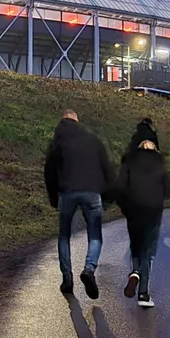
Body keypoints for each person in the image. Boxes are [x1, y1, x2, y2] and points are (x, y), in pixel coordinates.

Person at [44, 109, 117, 299]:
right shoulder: (92, 139)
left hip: (67, 193)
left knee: (64, 236)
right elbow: (107, 166)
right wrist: (109, 194)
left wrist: (53, 197)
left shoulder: (57, 142)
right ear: (77, 121)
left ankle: (67, 279)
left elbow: (49, 172)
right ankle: (89, 269)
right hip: (92, 192)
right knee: (95, 235)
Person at [118, 138, 170, 308]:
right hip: (153, 212)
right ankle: (143, 293)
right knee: (148, 252)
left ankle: (135, 271)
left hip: (134, 210)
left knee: (136, 245)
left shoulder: (130, 164)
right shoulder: (159, 164)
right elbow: (168, 190)